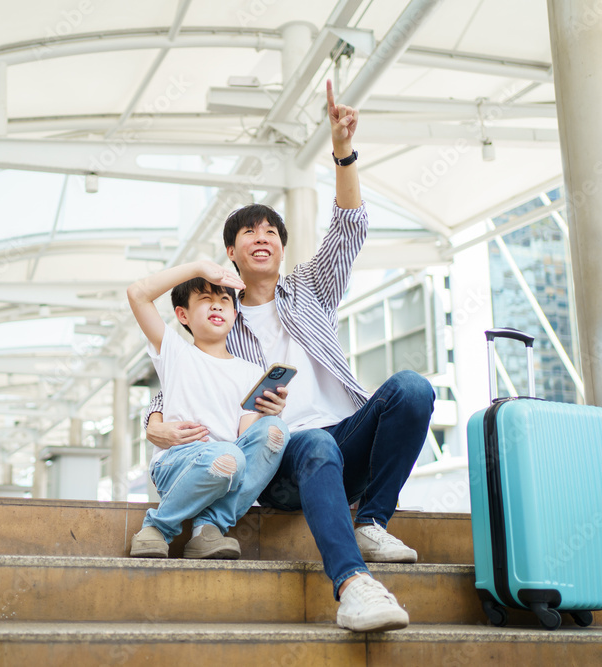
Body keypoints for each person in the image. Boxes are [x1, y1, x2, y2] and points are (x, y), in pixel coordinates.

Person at [144, 81, 435, 632]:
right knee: (313, 440)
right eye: (249, 232)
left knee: (412, 389)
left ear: (282, 247)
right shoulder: (218, 322)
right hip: (278, 462)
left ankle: (371, 520)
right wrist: (153, 420)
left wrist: (342, 150)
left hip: (343, 440)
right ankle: (352, 586)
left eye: (272, 231)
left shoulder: (312, 289)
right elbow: (182, 377)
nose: (263, 237)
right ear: (229, 253)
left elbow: (350, 228)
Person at [127, 264, 291, 560]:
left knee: (275, 432)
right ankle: (158, 528)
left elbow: (247, 440)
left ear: (235, 313)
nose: (216, 304)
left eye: (224, 300)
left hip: (230, 466)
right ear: (182, 315)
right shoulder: (175, 352)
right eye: (204, 298)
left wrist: (269, 414)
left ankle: (208, 529)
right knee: (228, 456)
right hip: (177, 462)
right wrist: (199, 268)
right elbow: (137, 294)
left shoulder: (251, 372)